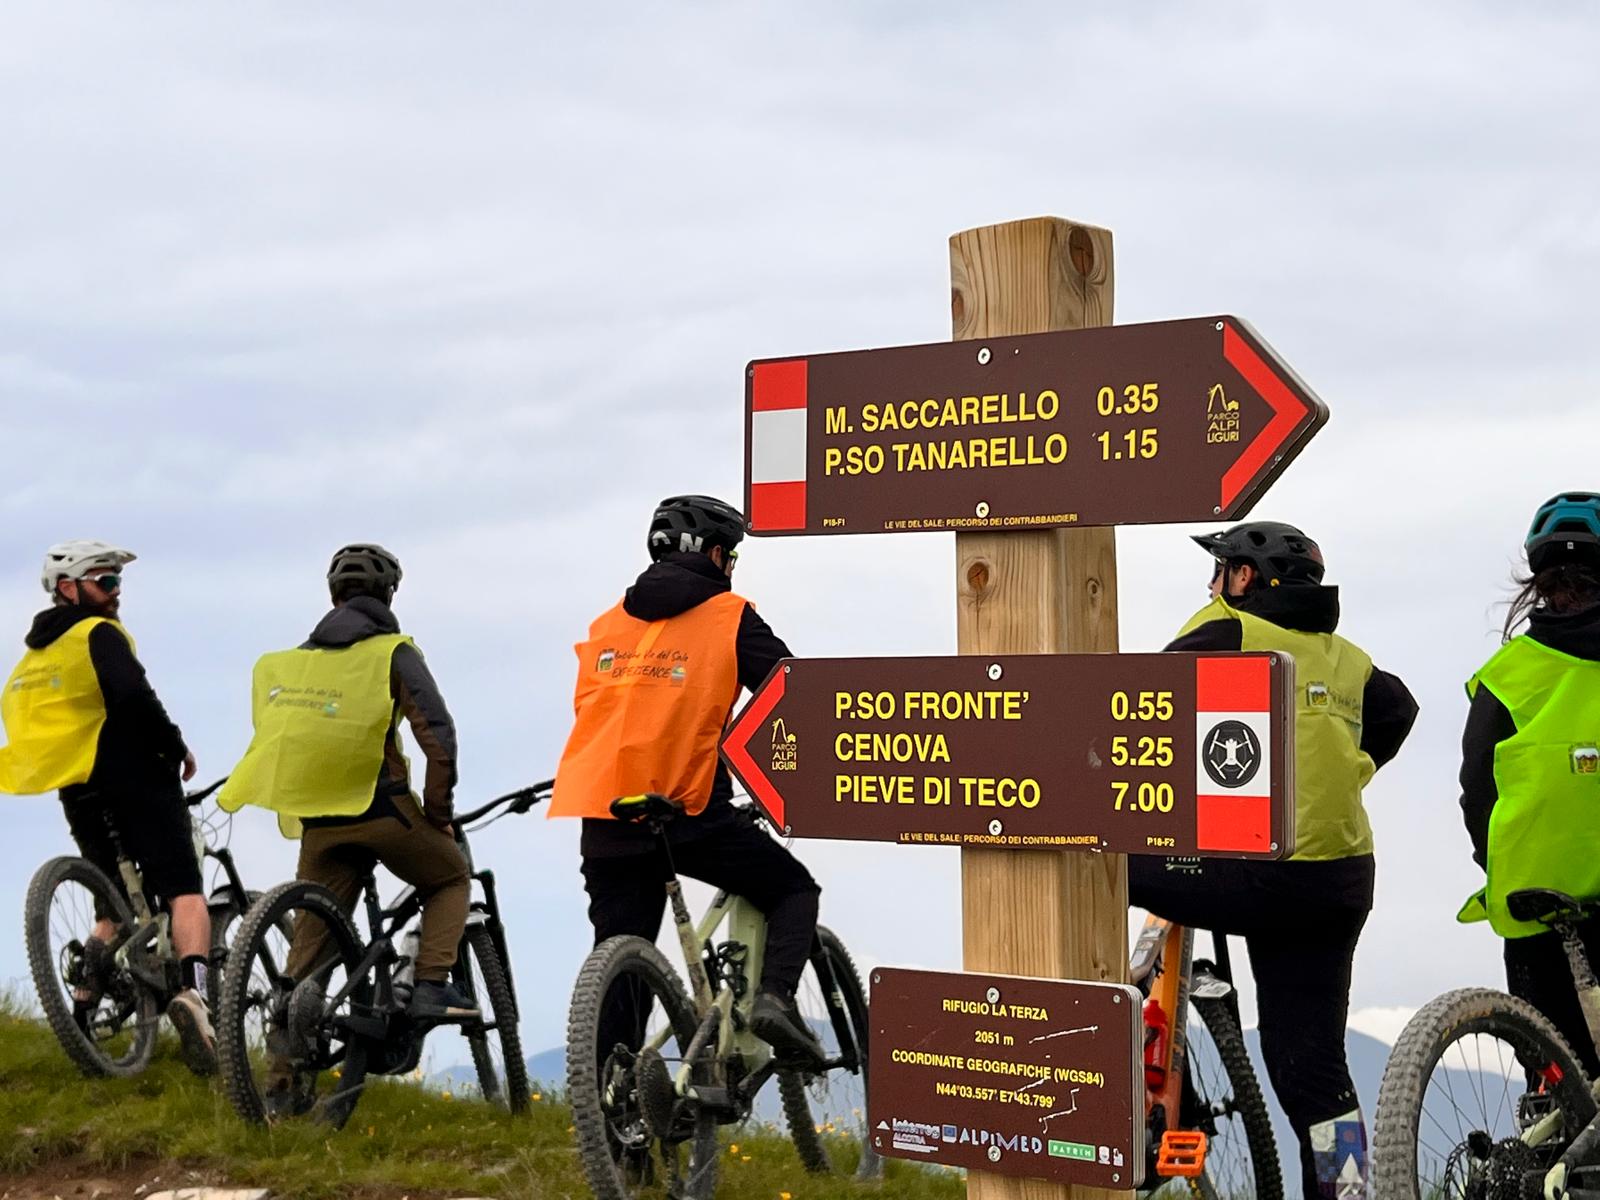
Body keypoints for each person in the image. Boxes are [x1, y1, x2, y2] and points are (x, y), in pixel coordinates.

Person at [1128, 521, 1418, 1200]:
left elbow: (1133, 701)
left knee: (1098, 867)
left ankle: (1112, 1046)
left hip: (1253, 877)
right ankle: (1343, 1194)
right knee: (1313, 1071)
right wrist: (1355, 767)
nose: (1214, 583)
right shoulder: (1348, 659)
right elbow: (1399, 710)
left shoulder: (1230, 628)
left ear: (1246, 579)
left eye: (1221, 571)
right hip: (1339, 881)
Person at [551, 494, 824, 1064]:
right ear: (718, 555)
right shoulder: (729, 615)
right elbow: (789, 694)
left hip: (603, 812)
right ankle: (775, 999)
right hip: (688, 810)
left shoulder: (607, 623)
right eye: (733, 558)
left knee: (621, 963)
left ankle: (612, 1115)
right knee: (794, 888)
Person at [220, 544, 473, 1110]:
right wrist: (439, 814)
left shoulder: (288, 664)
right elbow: (440, 737)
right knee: (450, 877)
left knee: (305, 960)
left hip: (320, 823)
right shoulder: (393, 652)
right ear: (388, 596)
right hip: (381, 811)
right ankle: (430, 983)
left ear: (332, 596)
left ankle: (281, 1090)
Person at [0, 540, 215, 1074]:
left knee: (110, 900)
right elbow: (134, 697)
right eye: (106, 582)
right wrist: (175, 746)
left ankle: (80, 1011)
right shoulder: (99, 634)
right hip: (133, 775)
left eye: (118, 582)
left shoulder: (32, 660)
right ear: (68, 589)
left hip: (77, 787)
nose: (116, 593)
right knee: (184, 890)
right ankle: (196, 996)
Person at [1458, 492, 1600, 1074]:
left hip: (1530, 898)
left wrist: (1496, 866)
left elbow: (1476, 790)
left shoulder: (1507, 675)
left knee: (1555, 1069)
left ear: (1537, 582)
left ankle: (1547, 1147)